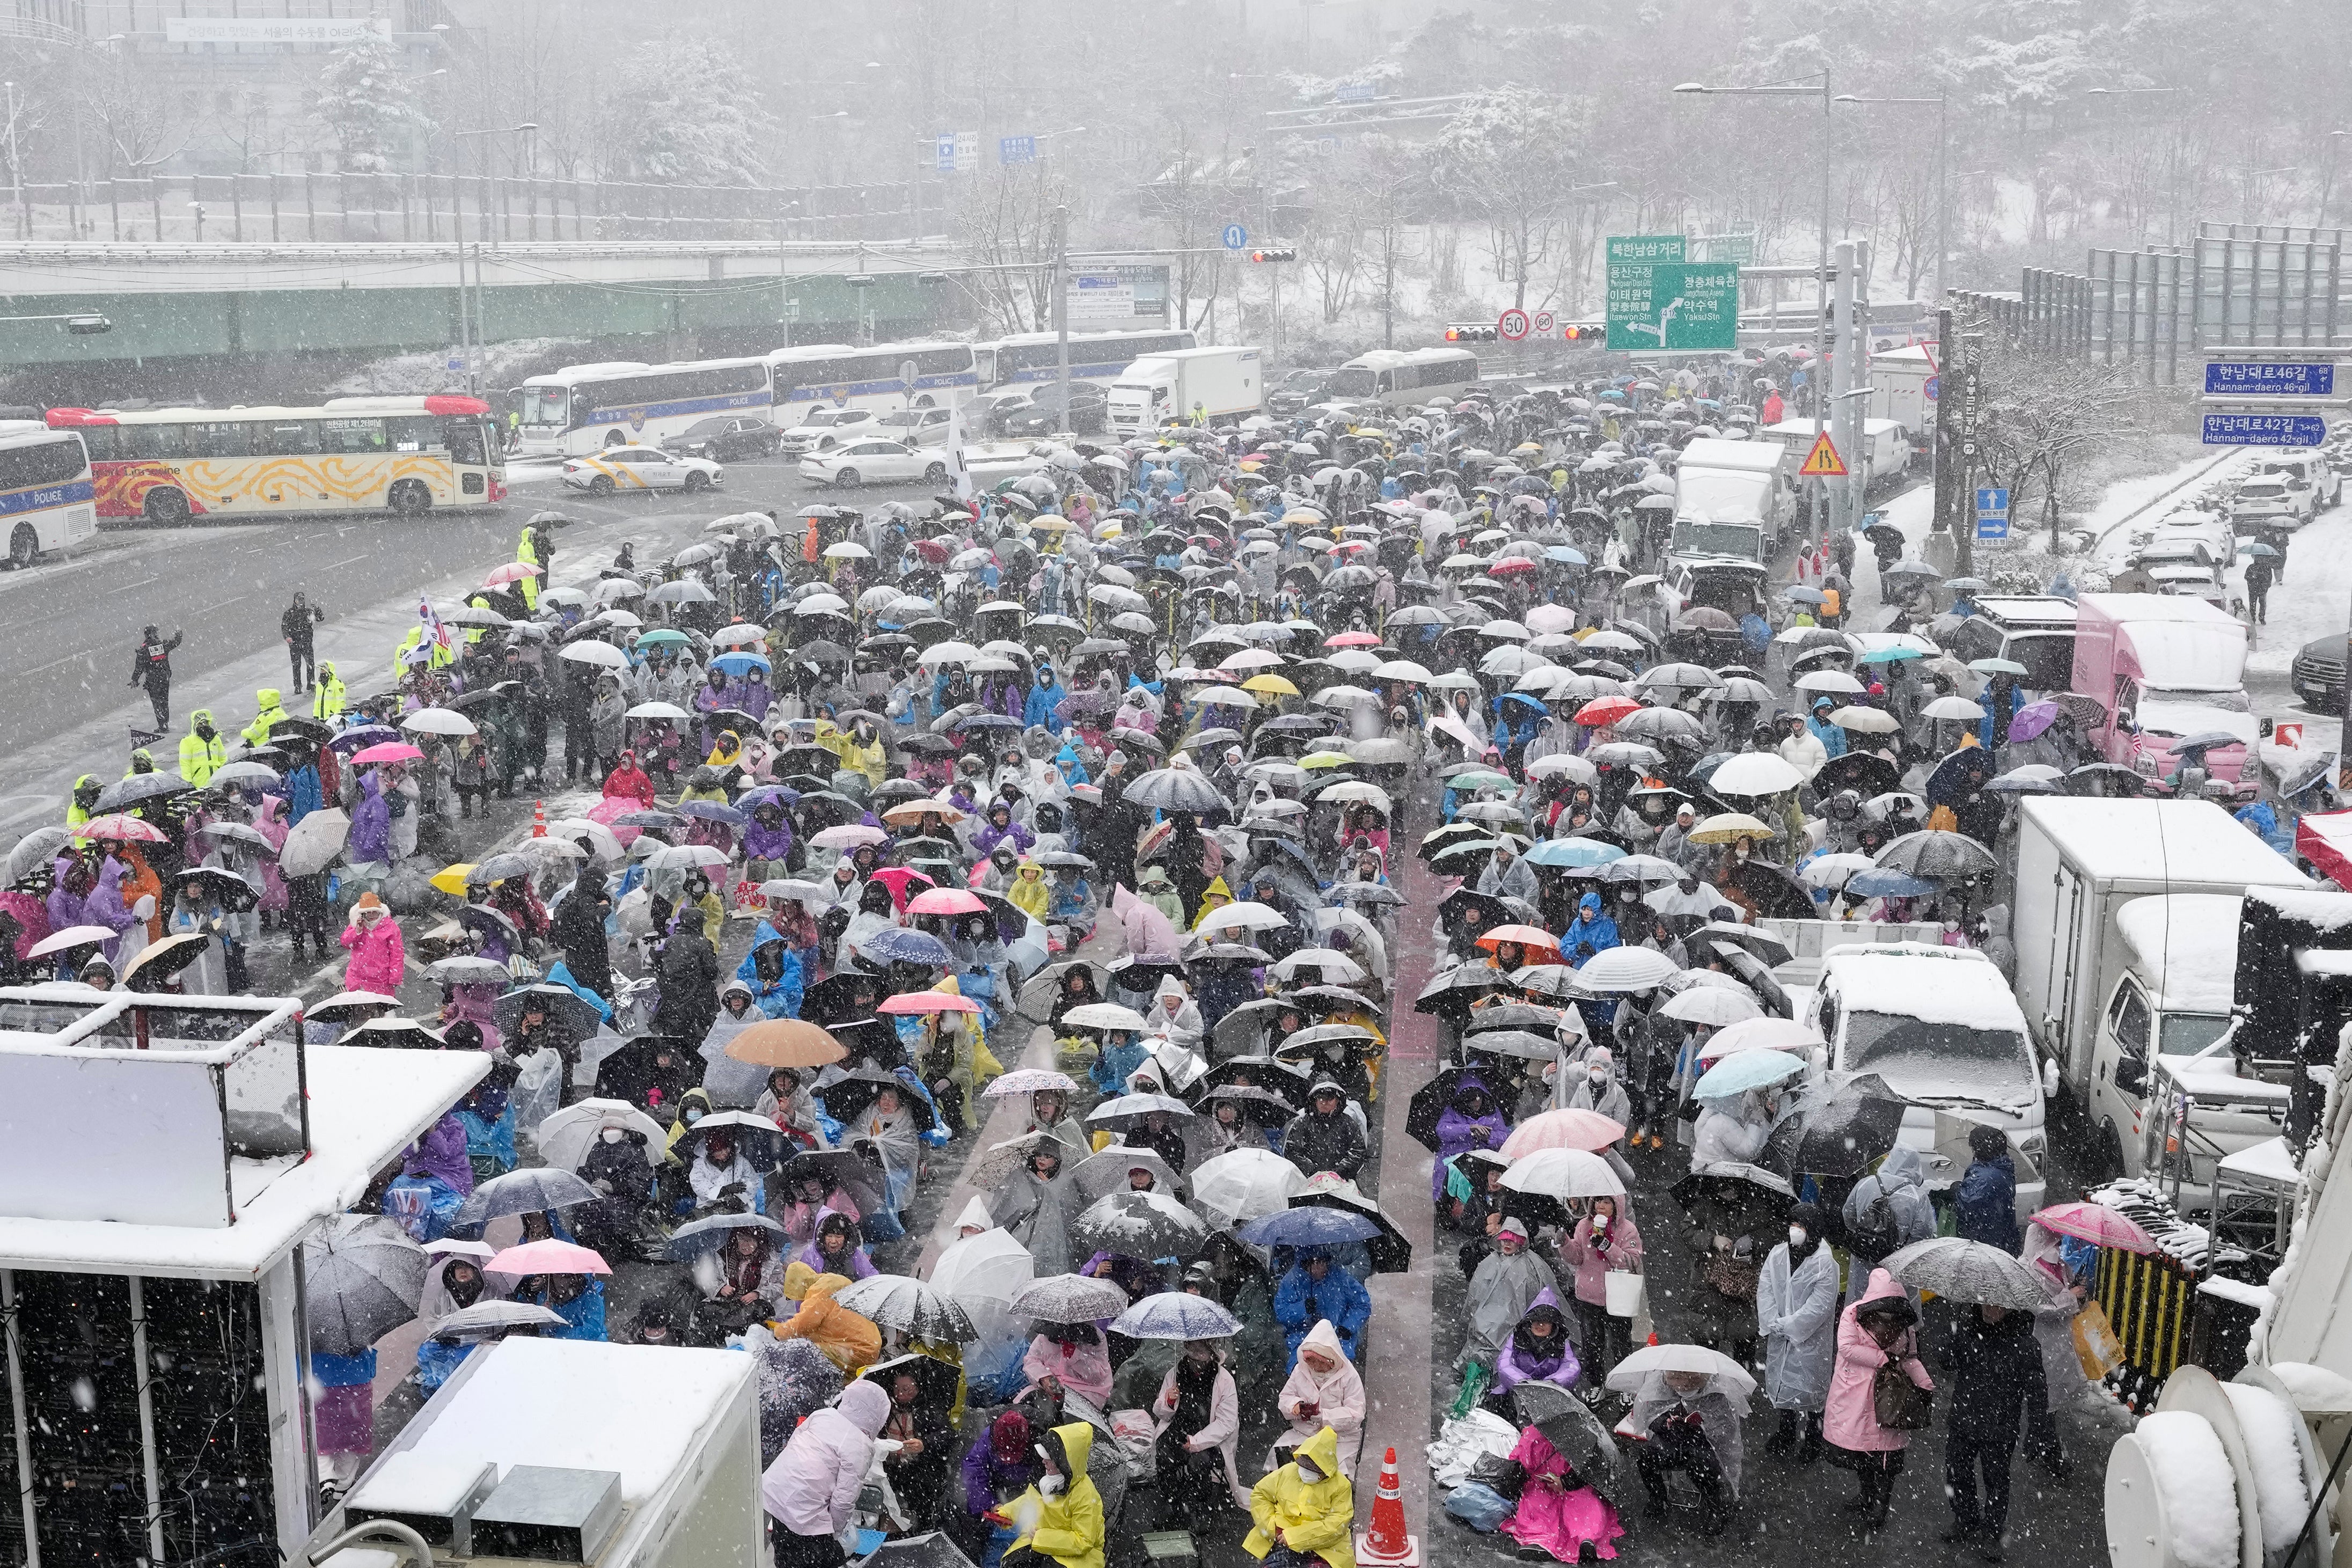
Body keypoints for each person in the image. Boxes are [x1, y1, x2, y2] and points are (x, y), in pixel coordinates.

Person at [1824, 1267, 1935, 1533]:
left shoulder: (1904, 1325)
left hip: (1889, 1398)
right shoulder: (1853, 1314)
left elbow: (1910, 1357)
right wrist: (1884, 1360)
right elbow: (1848, 1348)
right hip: (1858, 1397)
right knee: (1863, 1452)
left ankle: (1880, 1505)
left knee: (1885, 1457)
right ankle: (1867, 1495)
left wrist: (1925, 1383)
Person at [1944, 1301, 2040, 1560]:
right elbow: (1946, 1361)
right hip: (1964, 1417)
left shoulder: (2025, 1344)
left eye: (1997, 1305)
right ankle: (1966, 1519)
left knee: (1996, 1482)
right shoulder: (1967, 1328)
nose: (1989, 1309)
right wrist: (1954, 1331)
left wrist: (2037, 1429)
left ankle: (1993, 1532)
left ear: (2011, 1308)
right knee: (1956, 1471)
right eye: (1985, 1302)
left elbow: (2037, 1392)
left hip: (2000, 1427)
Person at [760, 1380, 891, 1568]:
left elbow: (795, 1441)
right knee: (823, 1557)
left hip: (777, 1492)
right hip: (806, 1510)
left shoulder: (824, 1414)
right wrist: (836, 1531)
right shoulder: (861, 1446)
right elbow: (844, 1499)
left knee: (786, 1550)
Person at [1756, 1201, 1838, 1464]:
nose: (1795, 1231)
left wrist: (1790, 1324)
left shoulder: (1826, 1263)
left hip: (1811, 1339)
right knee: (1783, 1383)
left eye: (1801, 1226)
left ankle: (1814, 1440)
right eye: (1792, 1225)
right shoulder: (1778, 1254)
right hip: (1781, 1333)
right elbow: (1766, 1288)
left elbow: (1820, 1306)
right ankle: (1786, 1431)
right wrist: (1772, 1320)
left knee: (1812, 1390)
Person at [1500, 1403, 1626, 1562]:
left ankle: (1583, 1540)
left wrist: (1565, 1482)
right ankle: (1546, 1540)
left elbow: (1588, 1473)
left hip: (1568, 1488)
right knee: (1544, 1508)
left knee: (1584, 1506)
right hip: (1543, 1487)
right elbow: (1520, 1463)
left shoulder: (1535, 1435)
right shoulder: (1578, 1438)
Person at [1629, 1366, 1745, 1536]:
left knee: (1701, 1467)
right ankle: (1657, 1496)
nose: (1680, 1391)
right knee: (1646, 1457)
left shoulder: (1715, 1394)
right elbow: (1650, 1418)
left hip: (1703, 1445)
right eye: (1676, 1386)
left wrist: (1701, 1426)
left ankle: (1716, 1506)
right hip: (1671, 1440)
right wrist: (1666, 1422)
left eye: (1685, 1387)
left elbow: (1726, 1428)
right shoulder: (1663, 1390)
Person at [1152, 1339, 1249, 1513]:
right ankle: (1170, 1497)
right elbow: (1161, 1414)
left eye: (1201, 1358)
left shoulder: (1225, 1380)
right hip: (1178, 1430)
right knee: (1165, 1455)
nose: (1196, 1365)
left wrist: (1196, 1442)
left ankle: (1199, 1505)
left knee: (1199, 1462)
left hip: (1210, 1438)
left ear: (1211, 1355)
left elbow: (1226, 1422)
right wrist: (1168, 1402)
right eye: (1192, 1357)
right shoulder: (1174, 1374)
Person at [1243, 1425, 1354, 1568]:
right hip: (1279, 1541)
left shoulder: (1341, 1486)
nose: (1305, 1472)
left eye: (1312, 1470)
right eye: (1303, 1466)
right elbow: (1260, 1494)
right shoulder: (1287, 1472)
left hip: (1324, 1549)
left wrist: (1294, 1538)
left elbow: (1336, 1527)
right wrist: (1271, 1526)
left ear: (1325, 1472)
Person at [1559, 1194, 1641, 1383]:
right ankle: (1596, 1383)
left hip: (1618, 1297)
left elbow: (1631, 1261)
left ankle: (1624, 1384)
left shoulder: (1628, 1229)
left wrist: (1607, 1246)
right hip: (1589, 1296)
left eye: (1607, 1202)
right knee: (1592, 1345)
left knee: (1621, 1344)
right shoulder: (1583, 1226)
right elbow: (1577, 1258)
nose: (1601, 1206)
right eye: (1598, 1201)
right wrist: (1564, 1244)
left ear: (1617, 1206)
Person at [1461, 1218, 1560, 1372]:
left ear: (1520, 1242)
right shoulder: (1491, 1261)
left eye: (1511, 1241)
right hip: (1489, 1314)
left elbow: (1533, 1296)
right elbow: (1478, 1292)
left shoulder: (1531, 1265)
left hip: (1513, 1317)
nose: (1507, 1244)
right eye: (1504, 1240)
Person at [1001, 1423, 1104, 1568]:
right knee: (1012, 1564)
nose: (1044, 1462)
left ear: (1064, 1464)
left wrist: (1042, 1537)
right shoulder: (1044, 1479)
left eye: (1049, 1459)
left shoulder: (1085, 1495)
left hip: (1076, 1557)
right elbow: (1029, 1501)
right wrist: (1007, 1513)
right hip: (1040, 1543)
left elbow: (1083, 1541)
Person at [1276, 1320, 1365, 1470]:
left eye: (1318, 1361)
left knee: (1338, 1476)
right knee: (1281, 1465)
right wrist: (1294, 1405)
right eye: (1310, 1360)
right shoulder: (1300, 1371)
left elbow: (1356, 1413)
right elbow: (1285, 1398)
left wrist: (1324, 1417)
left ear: (1331, 1360)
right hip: (1304, 1433)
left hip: (1340, 1439)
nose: (1314, 1366)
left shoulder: (1349, 1376)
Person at [961, 1411, 1041, 1568]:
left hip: (1029, 1494)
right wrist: (990, 1504)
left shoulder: (1040, 1443)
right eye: (1004, 1453)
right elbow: (973, 1470)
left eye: (1013, 1454)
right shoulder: (988, 1438)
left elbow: (1045, 1486)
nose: (1009, 1460)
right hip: (997, 1491)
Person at [1842, 1145, 1936, 1272]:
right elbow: (1923, 1235)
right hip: (1896, 1265)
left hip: (1863, 1256)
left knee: (1863, 1291)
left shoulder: (1866, 1183)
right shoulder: (1918, 1196)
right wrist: (1900, 1252)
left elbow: (1848, 1214)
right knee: (1892, 1293)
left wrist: (1866, 1234)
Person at [1272, 1249, 1370, 1369]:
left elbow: (1362, 1303)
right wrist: (1303, 1308)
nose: (1321, 1268)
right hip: (1303, 1340)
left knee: (1339, 1377)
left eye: (1324, 1262)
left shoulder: (1339, 1276)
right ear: (1306, 1264)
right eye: (1316, 1263)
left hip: (1337, 1339)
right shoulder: (1291, 1282)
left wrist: (1348, 1327)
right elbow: (1281, 1313)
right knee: (1303, 1376)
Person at [1954, 1125, 2023, 1254]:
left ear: (1982, 1149)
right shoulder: (2002, 1166)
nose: (1973, 1152)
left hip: (1984, 1240)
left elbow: (1968, 1203)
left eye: (1974, 1148)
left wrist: (1956, 1191)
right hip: (2001, 1237)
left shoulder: (1986, 1177)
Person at [340, 891, 404, 997]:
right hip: (357, 978)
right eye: (369, 912)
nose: (372, 915)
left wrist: (395, 977)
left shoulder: (391, 928)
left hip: (380, 980)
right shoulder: (357, 924)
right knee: (358, 1011)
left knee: (380, 1012)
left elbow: (397, 954)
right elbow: (346, 943)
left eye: (375, 912)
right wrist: (357, 931)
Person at [128, 625, 184, 732]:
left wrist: (134, 680)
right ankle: (165, 725)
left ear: (146, 635)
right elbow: (175, 643)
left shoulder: (144, 649)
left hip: (152, 680)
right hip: (164, 677)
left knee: (157, 703)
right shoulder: (162, 645)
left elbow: (139, 667)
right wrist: (179, 634)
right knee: (164, 702)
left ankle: (162, 725)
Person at [282, 592, 326, 692]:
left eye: (302, 599)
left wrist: (316, 607)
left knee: (310, 663)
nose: (300, 601)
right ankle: (298, 686)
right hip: (295, 643)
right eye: (298, 599)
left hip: (307, 642)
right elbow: (284, 627)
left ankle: (311, 683)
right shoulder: (289, 613)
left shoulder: (308, 612)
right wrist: (287, 637)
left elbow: (321, 618)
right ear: (294, 600)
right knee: (296, 665)